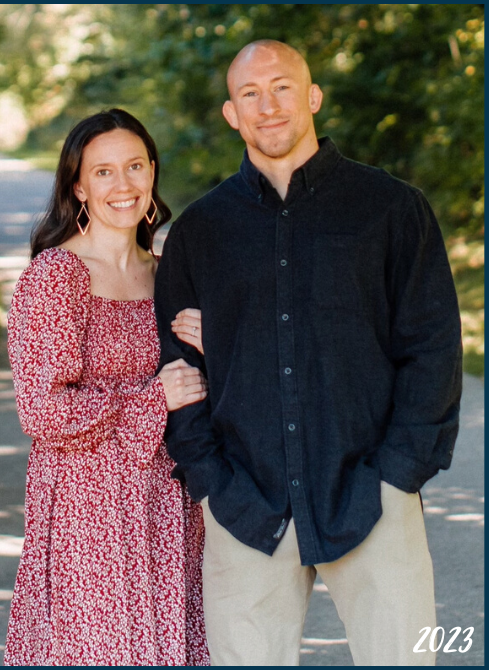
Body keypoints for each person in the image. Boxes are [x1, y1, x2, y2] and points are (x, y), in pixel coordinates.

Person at [153, 40, 463, 666]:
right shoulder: (200, 231)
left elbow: (432, 349)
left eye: (282, 87)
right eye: (250, 94)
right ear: (230, 113)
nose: (268, 106)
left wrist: (399, 474)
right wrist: (211, 481)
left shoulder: (392, 209)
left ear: (313, 96)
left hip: (372, 492)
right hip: (245, 502)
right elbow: (177, 371)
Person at [4, 109, 209, 666]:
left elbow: (197, 389)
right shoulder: (56, 276)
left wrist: (217, 349)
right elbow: (41, 410)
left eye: (135, 167)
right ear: (78, 186)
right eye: (103, 172)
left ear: (152, 174)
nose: (123, 186)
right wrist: (150, 401)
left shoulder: (171, 274)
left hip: (168, 502)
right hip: (87, 510)